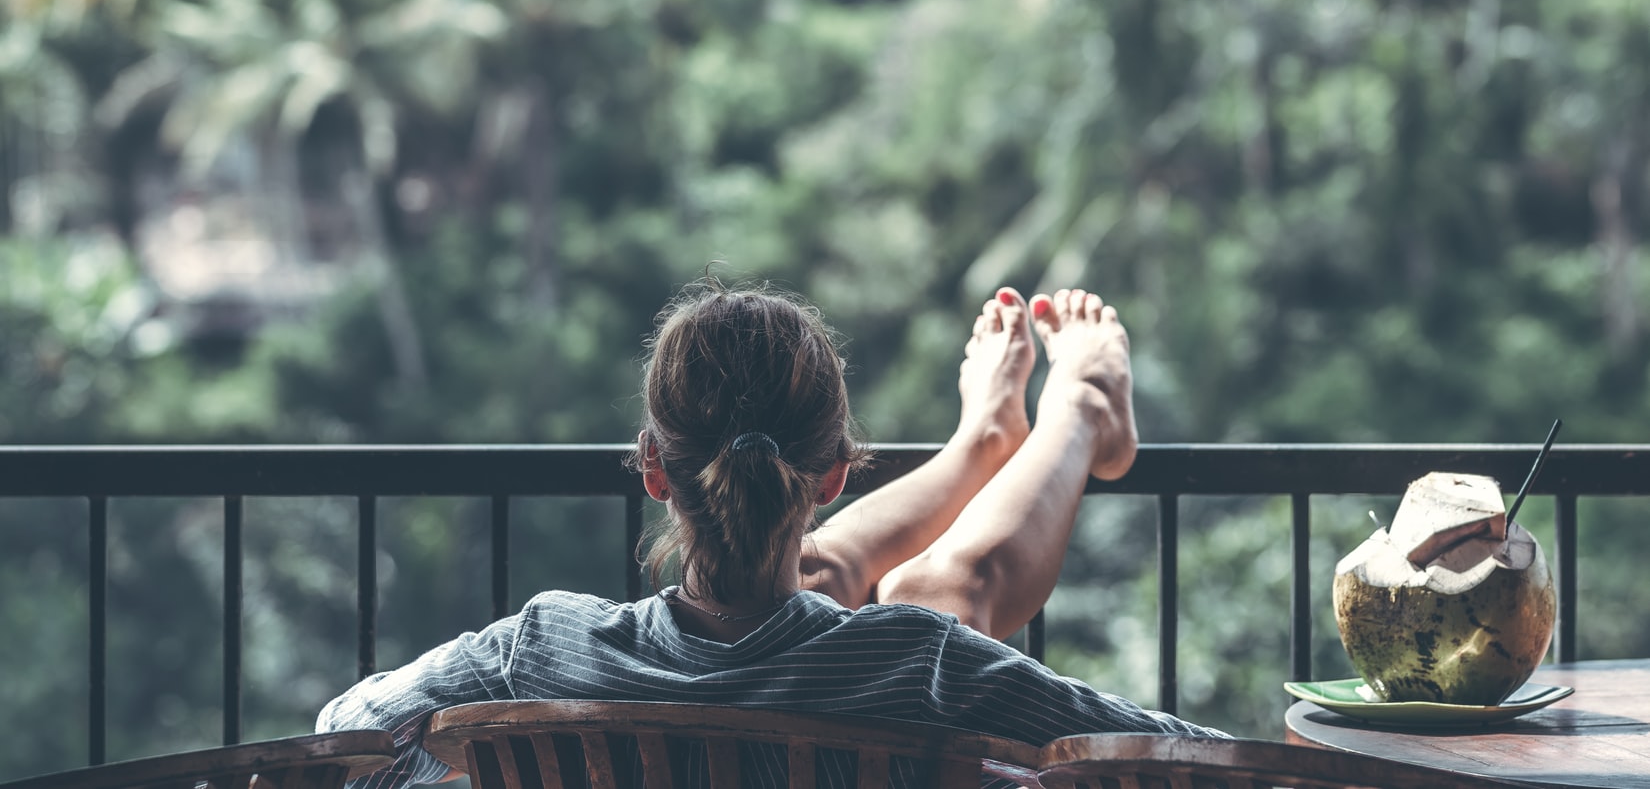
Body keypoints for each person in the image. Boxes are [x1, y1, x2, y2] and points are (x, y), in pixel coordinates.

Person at [317, 282, 1222, 789]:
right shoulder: (920, 664)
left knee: (865, 591)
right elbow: (1184, 763)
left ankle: (992, 439)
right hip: (874, 648)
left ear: (652, 469)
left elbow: (345, 733)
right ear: (834, 475)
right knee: (922, 595)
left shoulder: (541, 651)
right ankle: (1066, 409)